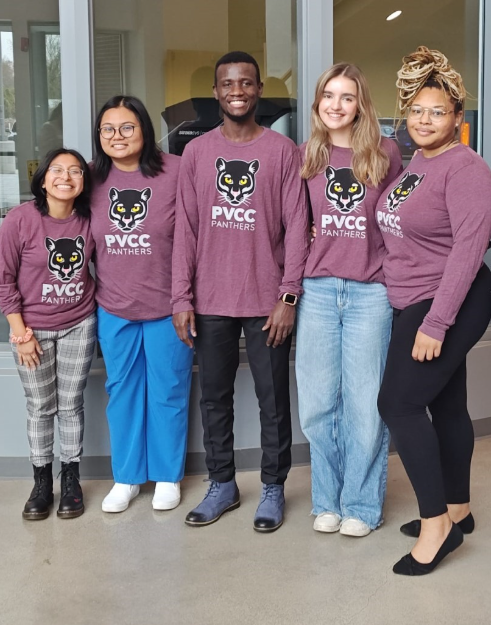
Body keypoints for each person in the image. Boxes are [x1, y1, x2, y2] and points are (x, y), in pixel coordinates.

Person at [172, 51, 309, 533]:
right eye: (228, 83)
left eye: (247, 83)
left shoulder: (281, 153)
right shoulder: (196, 153)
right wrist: (181, 298)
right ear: (216, 91)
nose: (237, 90)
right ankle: (223, 484)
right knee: (214, 398)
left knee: (273, 400)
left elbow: (297, 228)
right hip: (210, 302)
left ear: (258, 91)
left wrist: (289, 295)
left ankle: (273, 487)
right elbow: (185, 230)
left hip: (267, 301)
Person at [376, 46, 491, 575]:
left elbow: (470, 249)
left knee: (398, 406)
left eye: (438, 111)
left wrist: (436, 322)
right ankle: (459, 508)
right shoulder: (417, 163)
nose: (426, 120)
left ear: (457, 118)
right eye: (418, 111)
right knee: (446, 405)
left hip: (449, 298)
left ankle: (436, 526)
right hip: (417, 297)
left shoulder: (465, 167)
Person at [296, 63, 402, 537]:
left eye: (347, 97)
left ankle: (360, 504)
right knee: (318, 403)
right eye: (329, 96)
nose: (336, 105)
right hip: (318, 288)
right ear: (318, 103)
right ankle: (327, 500)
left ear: (361, 104)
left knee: (364, 404)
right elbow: (294, 225)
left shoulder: (384, 153)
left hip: (370, 291)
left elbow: (404, 218)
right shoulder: (308, 156)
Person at [91, 95, 194, 513]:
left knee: (170, 390)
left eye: (127, 127)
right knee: (123, 392)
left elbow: (193, 235)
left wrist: (183, 298)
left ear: (145, 130)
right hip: (114, 306)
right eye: (108, 130)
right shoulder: (92, 180)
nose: (118, 136)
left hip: (169, 305)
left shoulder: (176, 171)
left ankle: (168, 476)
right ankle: (127, 477)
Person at [0, 148, 96, 520]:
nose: (65, 177)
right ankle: (41, 483)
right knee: (40, 406)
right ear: (43, 178)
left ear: (84, 181)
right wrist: (21, 334)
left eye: (75, 171)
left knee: (70, 406)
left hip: (79, 324)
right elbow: (2, 282)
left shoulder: (89, 220)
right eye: (57, 169)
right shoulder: (20, 220)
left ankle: (71, 480)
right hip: (31, 329)